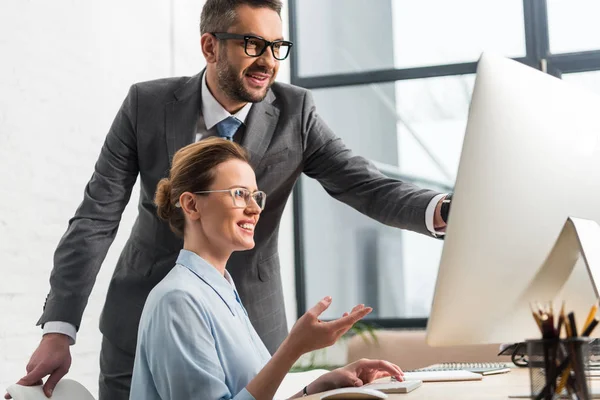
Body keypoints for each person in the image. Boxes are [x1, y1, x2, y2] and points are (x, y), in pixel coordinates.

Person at [10, 0, 449, 399]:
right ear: (210, 46)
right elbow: (96, 217)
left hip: (249, 326)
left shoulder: (296, 113)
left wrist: (444, 212)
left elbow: (366, 184)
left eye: (278, 46)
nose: (268, 61)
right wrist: (59, 330)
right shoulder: (147, 105)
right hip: (143, 316)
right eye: (254, 44)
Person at [129, 137, 404, 399]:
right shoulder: (178, 300)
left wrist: (321, 385)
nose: (255, 209)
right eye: (239, 194)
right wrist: (293, 348)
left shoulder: (221, 290)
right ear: (191, 205)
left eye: (255, 196)